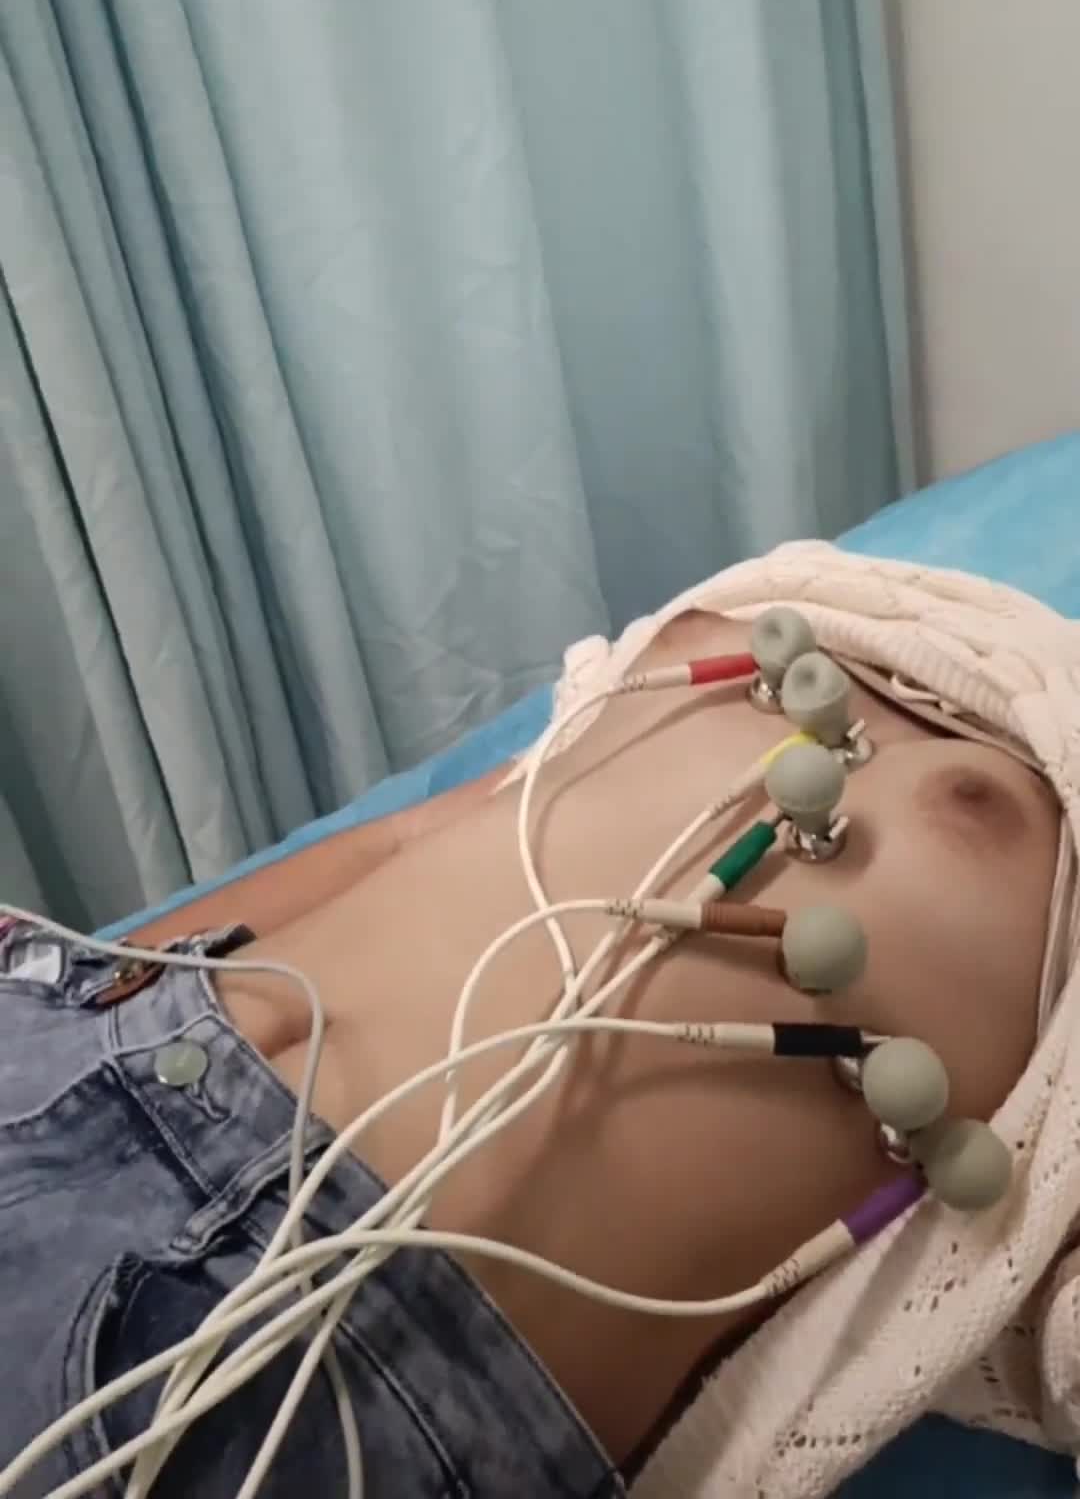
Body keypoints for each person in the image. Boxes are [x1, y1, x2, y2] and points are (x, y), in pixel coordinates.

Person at [3, 540, 1079, 1499]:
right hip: (81, 1043)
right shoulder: (804, 597)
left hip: (370, 1336)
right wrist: (102, 980)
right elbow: (420, 836)